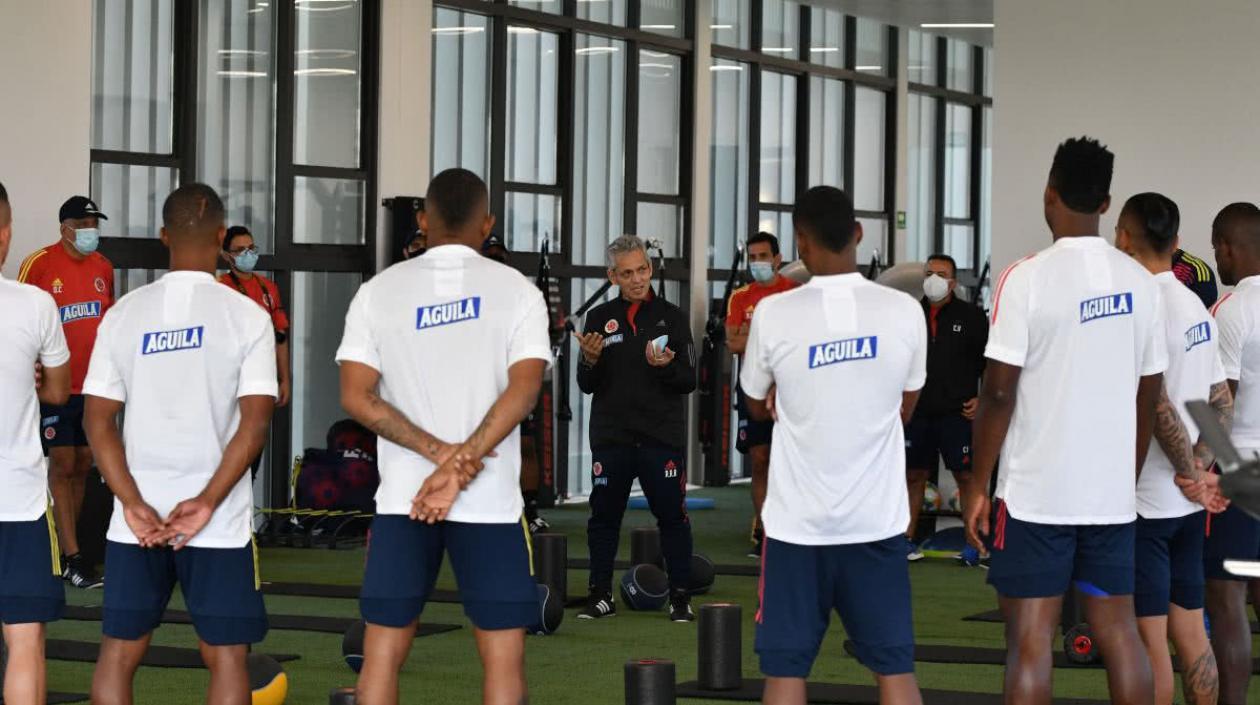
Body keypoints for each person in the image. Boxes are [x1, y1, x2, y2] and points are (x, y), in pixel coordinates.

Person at [963, 137, 1165, 705]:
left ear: (1049, 194)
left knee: (1030, 642)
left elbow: (997, 394)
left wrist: (978, 485)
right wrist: (1122, 479)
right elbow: (1147, 400)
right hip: (1109, 501)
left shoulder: (1024, 278)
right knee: (1121, 635)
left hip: (1036, 501)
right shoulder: (1140, 284)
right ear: (1105, 204)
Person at [337, 168, 549, 705]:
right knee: (503, 657)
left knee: (381, 652)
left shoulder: (377, 292)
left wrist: (440, 460)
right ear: (488, 224)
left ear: (423, 220)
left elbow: (357, 397)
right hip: (490, 505)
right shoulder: (518, 292)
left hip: (406, 500)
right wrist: (459, 466)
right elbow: (524, 393)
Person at [82, 184, 277, 705]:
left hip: (137, 522)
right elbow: (255, 424)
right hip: (216, 523)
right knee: (227, 656)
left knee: (118, 652)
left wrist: (132, 503)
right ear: (221, 237)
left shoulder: (123, 313)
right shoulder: (248, 316)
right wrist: (207, 502)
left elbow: (97, 421)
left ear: (164, 236)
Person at [740, 186, 925, 705]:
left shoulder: (775, 314)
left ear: (799, 241)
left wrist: (788, 393)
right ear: (859, 234)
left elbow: (755, 403)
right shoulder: (904, 311)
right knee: (895, 671)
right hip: (877, 526)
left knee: (785, 673)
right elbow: (906, 403)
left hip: (799, 528)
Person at [1115, 192, 1228, 705]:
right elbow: (1221, 401)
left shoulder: (1143, 305)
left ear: (1122, 237)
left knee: (1151, 644)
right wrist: (1202, 471)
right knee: (1191, 634)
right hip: (1188, 505)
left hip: (1151, 502)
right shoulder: (1196, 307)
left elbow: (1156, 404)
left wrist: (1187, 469)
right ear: (1178, 243)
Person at [574, 234, 698, 623]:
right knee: (603, 518)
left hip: (661, 437)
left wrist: (667, 367)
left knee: (672, 518)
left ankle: (680, 597)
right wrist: (590, 361)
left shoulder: (673, 317)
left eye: (642, 269)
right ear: (613, 276)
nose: (637, 279)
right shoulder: (597, 320)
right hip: (613, 437)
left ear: (650, 268)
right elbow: (585, 383)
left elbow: (690, 378)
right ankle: (600, 595)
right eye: (626, 273)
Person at [17, 195, 115, 590]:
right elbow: (19, 316)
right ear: (65, 228)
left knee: (83, 464)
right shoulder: (39, 264)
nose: (91, 231)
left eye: (95, 224)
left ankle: (69, 552)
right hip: (55, 390)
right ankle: (71, 558)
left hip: (94, 387)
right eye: (84, 224)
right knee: (61, 464)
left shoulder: (103, 267)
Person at [0, 181, 72, 705]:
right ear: (5, 235)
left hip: (21, 497)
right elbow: (59, 391)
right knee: (25, 642)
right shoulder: (35, 305)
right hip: (19, 501)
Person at [1199, 202, 1260, 705]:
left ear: (1227, 246)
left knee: (1228, 599)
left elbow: (1222, 404)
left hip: (1244, 472)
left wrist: (1202, 469)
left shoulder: (1231, 309)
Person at [903, 253, 988, 564]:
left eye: (941, 274)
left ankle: (973, 544)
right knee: (913, 475)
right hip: (918, 412)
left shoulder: (973, 317)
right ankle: (906, 541)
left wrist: (982, 400)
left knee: (966, 477)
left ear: (953, 282)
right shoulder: (910, 314)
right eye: (929, 272)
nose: (934, 279)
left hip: (957, 414)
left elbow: (989, 365)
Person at [724, 231, 798, 559]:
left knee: (793, 461)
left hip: (793, 388)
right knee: (760, 459)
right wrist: (771, 336)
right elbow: (733, 343)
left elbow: (799, 341)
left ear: (778, 259)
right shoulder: (740, 298)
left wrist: (752, 334)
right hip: (752, 387)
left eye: (763, 257)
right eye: (752, 258)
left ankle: (793, 529)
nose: (758, 263)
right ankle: (765, 531)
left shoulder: (795, 293)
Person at [481, 233, 550, 534]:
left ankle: (530, 510)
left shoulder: (520, 295)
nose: (497, 260)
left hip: (515, 382)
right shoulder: (472, 291)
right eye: (491, 255)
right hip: (481, 385)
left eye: (501, 255)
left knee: (525, 447)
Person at [218, 225, 290, 410]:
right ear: (226, 255)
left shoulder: (268, 287)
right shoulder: (219, 288)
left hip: (261, 376)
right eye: (240, 250)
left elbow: (281, 337)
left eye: (251, 248)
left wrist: (284, 379)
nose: (248, 254)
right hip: (228, 378)